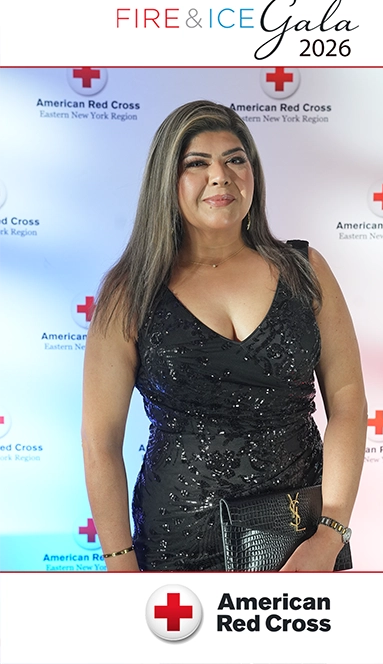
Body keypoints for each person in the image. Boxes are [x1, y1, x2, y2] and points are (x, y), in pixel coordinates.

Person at [81, 100, 367, 572]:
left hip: (298, 543)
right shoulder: (131, 290)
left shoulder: (305, 270)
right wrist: (119, 564)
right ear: (167, 180)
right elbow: (101, 441)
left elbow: (348, 400)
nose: (221, 176)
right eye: (197, 163)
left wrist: (330, 533)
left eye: (235, 159)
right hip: (177, 544)